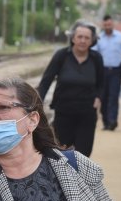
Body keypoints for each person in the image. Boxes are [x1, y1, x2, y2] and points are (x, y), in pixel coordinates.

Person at [37, 21, 104, 156]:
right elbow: (46, 80)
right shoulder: (61, 56)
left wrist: (99, 98)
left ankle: (79, 177)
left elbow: (102, 83)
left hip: (87, 112)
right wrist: (37, 103)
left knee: (83, 153)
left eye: (87, 38)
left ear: (92, 41)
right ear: (73, 38)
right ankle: (63, 177)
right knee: (62, 151)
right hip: (63, 111)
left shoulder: (96, 58)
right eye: (79, 37)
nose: (83, 41)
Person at [93, 14, 121, 131]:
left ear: (113, 24)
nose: (107, 26)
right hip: (102, 72)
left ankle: (113, 121)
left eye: (109, 24)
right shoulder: (99, 38)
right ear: (103, 25)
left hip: (116, 71)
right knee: (103, 97)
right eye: (105, 25)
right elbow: (95, 56)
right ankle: (106, 121)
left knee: (113, 96)